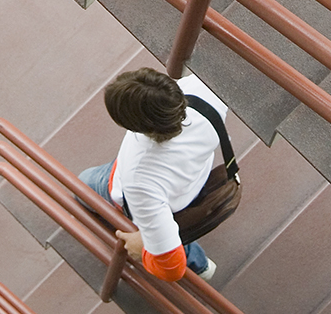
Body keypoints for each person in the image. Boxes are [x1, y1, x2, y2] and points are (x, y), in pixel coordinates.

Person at [79, 68, 229, 283]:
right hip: (193, 180)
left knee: (84, 185)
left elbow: (171, 269)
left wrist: (142, 251)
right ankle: (199, 264)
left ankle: (196, 261)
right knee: (165, 229)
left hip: (151, 195)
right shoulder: (204, 91)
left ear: (135, 127)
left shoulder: (140, 181)